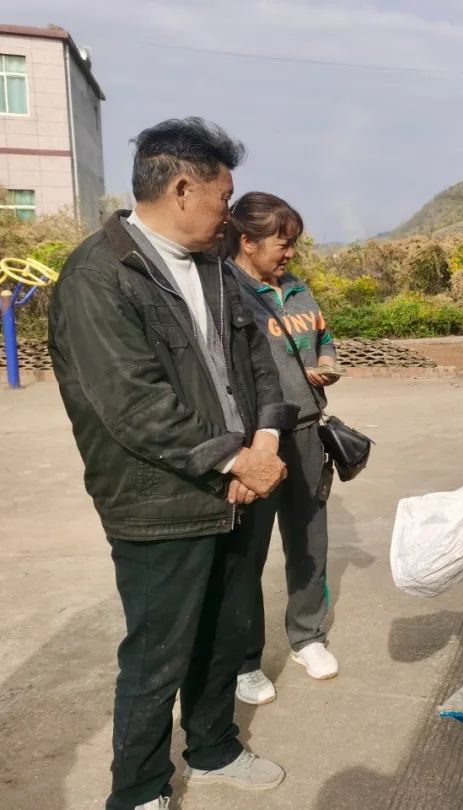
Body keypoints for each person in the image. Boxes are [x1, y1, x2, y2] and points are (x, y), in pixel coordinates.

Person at [47, 118, 298, 810]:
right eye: (224, 197)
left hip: (237, 486)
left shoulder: (216, 268)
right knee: (159, 653)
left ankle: (214, 749)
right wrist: (234, 460)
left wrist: (265, 443)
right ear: (184, 187)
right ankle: (139, 790)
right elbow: (133, 405)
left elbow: (260, 362)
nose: (229, 213)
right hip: (159, 499)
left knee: (224, 633)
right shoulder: (98, 276)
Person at [223, 191, 341, 705]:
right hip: (256, 442)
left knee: (310, 540)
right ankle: (244, 661)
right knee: (246, 553)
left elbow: (324, 339)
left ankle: (307, 636)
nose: (289, 253)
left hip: (308, 432)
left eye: (292, 243)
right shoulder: (226, 290)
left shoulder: (298, 289)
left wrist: (328, 363)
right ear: (247, 241)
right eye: (281, 242)